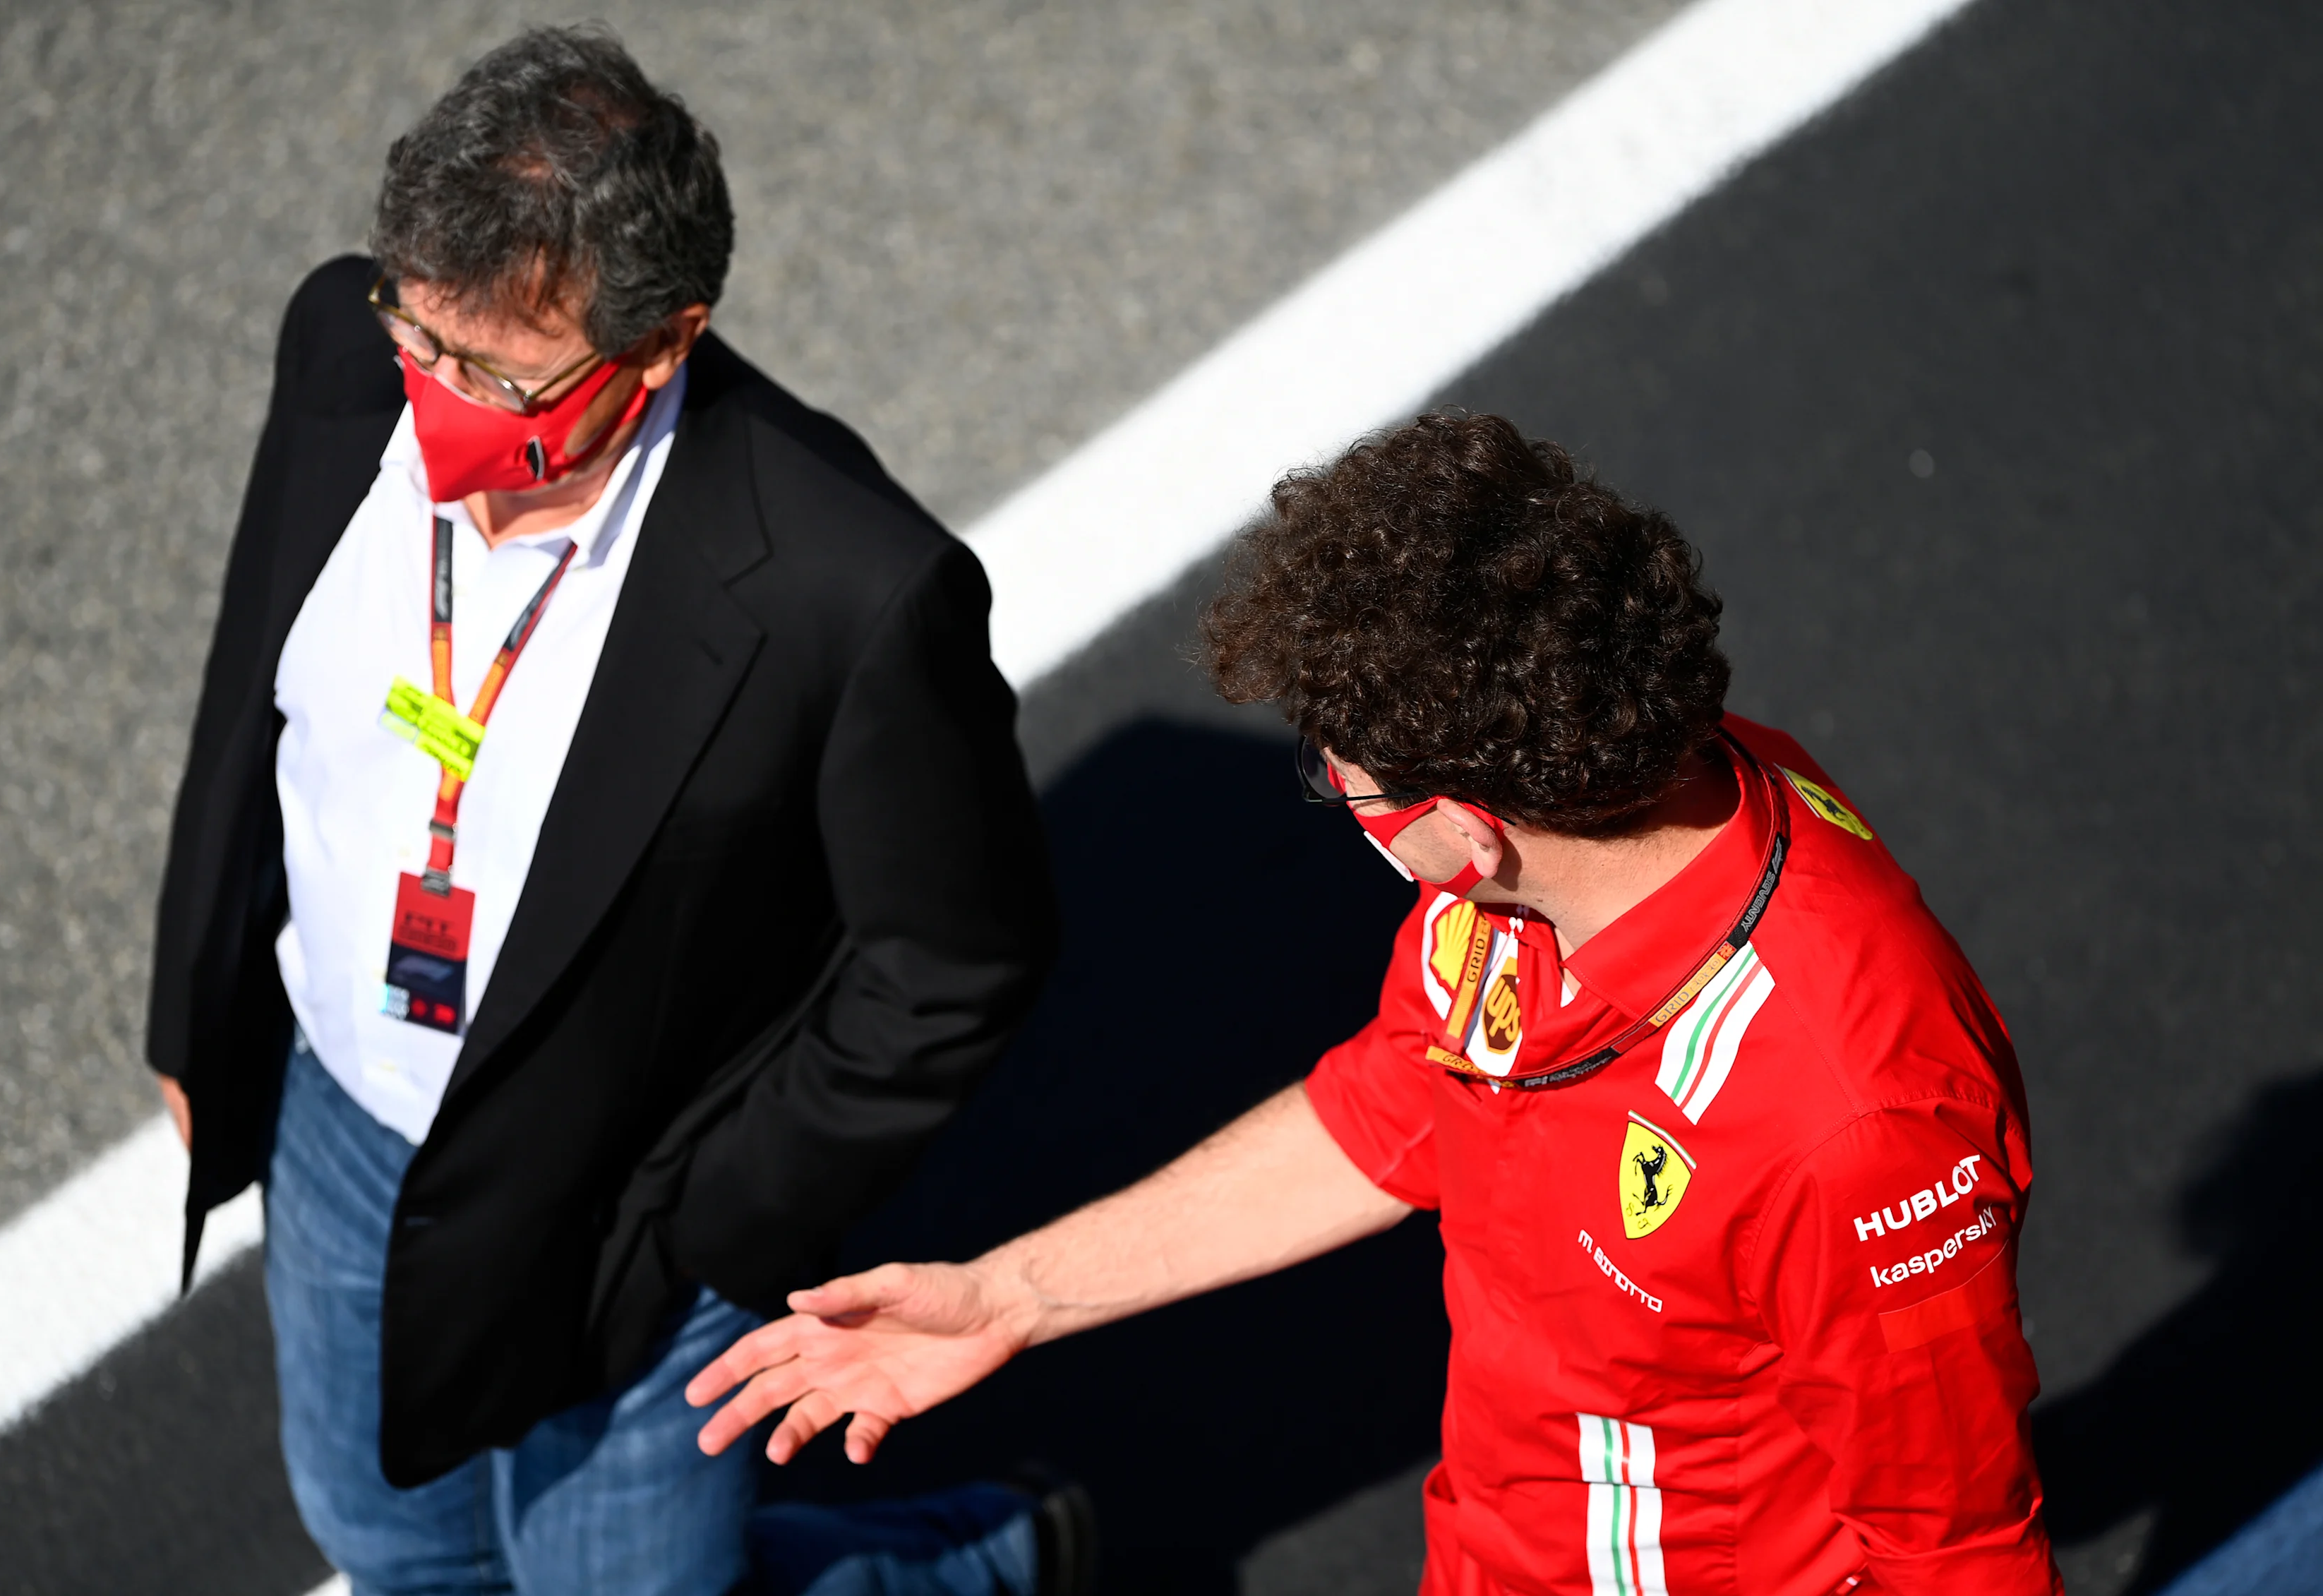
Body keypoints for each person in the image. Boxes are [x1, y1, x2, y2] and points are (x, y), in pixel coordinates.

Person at [687, 414, 2065, 1594]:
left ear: (1466, 828)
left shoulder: (1854, 1117)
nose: (1333, 801)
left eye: (1341, 784)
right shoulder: (1568, 848)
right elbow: (1397, 1100)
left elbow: (1954, 1543)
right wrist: (1011, 1292)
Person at [145, 26, 1089, 1596]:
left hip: (622, 1200)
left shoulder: (846, 586)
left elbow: (957, 960)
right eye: (420, 341)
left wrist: (713, 1225)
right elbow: (252, 682)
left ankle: (968, 1559)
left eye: (495, 377)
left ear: (662, 344)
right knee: (390, 1541)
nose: (433, 409)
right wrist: (197, 1003)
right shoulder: (339, 340)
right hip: (341, 1126)